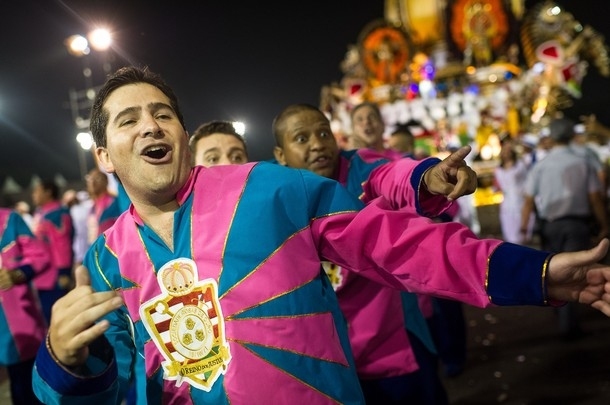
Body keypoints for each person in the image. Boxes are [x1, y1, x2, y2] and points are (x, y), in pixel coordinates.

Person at [33, 66, 610, 405]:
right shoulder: (105, 260)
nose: (150, 124)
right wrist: (63, 361)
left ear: (181, 134)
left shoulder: (271, 190)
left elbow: (398, 243)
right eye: (128, 119)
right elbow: (118, 389)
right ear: (105, 155)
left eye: (162, 113)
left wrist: (533, 273)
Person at [272, 103, 474, 403]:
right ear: (280, 156)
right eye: (302, 138)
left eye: (323, 133)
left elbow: (393, 175)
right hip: (334, 361)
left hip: (394, 345)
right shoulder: (275, 201)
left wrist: (426, 178)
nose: (317, 144)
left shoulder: (361, 168)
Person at [521, 117, 609, 339]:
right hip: (575, 224)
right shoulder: (582, 162)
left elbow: (529, 200)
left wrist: (524, 227)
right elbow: (595, 197)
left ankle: (560, 313)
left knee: (551, 269)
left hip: (550, 225)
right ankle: (568, 325)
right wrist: (604, 224)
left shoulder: (541, 166)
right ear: (571, 135)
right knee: (570, 273)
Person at [0, 207, 49, 404]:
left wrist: (17, 274)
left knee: (26, 386)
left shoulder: (9, 220)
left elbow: (40, 256)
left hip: (16, 321)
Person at [30, 179, 74, 323]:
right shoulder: (41, 213)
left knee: (60, 319)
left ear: (48, 192)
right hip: (41, 276)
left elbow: (63, 245)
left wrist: (63, 272)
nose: (33, 195)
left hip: (54, 277)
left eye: (37, 191)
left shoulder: (57, 213)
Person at [494, 138, 535, 244]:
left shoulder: (521, 165)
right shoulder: (498, 169)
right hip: (507, 204)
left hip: (520, 202)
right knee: (511, 236)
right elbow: (498, 185)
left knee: (522, 234)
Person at [85, 168, 120, 245]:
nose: (92, 183)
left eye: (97, 179)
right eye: (90, 179)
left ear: (106, 182)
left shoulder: (115, 203)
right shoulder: (92, 207)